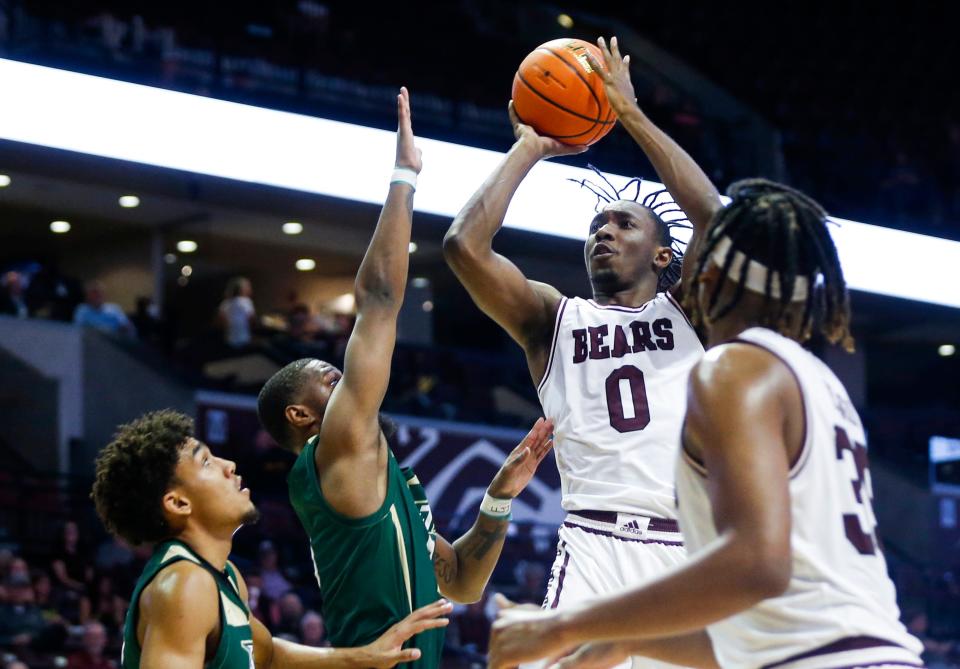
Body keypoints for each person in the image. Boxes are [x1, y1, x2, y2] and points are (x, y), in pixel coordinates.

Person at [488, 180, 925, 669]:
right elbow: (738, 635)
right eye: (598, 227)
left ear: (708, 285)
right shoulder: (820, 385)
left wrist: (565, 626)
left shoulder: (739, 374)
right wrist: (625, 641)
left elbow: (756, 565)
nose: (605, 234)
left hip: (805, 640)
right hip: (872, 646)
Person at [256, 88, 556, 669]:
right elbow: (379, 298)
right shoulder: (334, 447)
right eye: (328, 378)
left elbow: (462, 583)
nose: (344, 379)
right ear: (301, 415)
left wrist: (497, 499)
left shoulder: (384, 480)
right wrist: (405, 175)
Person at [443, 35, 718, 656]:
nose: (605, 232)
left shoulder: (691, 311)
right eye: (597, 224)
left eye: (625, 224)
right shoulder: (551, 320)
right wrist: (529, 148)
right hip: (592, 544)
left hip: (686, 546)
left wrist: (631, 115)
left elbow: (713, 220)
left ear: (662, 253)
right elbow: (464, 247)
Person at [91, 410, 453, 669]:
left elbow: (268, 655)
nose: (228, 464)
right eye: (205, 463)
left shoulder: (224, 576)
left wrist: (365, 657)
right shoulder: (184, 584)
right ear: (178, 502)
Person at [218, 277, 256, 348]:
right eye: (248, 286)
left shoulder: (224, 303)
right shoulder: (246, 302)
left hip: (229, 339)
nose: (250, 289)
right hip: (244, 338)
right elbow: (251, 319)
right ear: (241, 289)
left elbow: (221, 322)